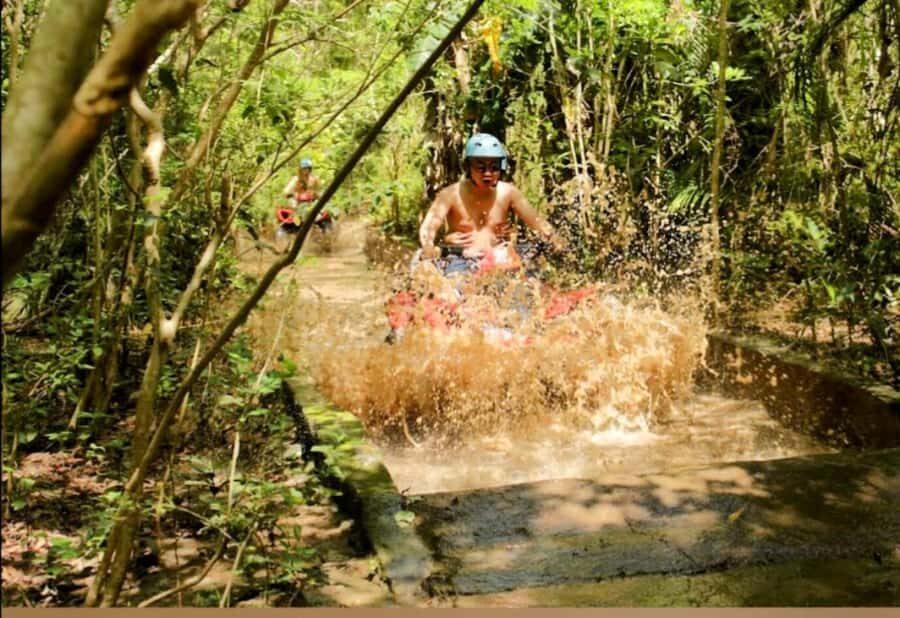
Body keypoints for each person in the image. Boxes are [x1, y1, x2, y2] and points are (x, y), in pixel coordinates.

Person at [418, 133, 565, 269]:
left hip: (500, 260)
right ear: (468, 167)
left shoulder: (509, 192)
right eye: (480, 167)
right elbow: (428, 229)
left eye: (494, 168)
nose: (488, 173)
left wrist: (559, 244)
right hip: (461, 260)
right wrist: (429, 246)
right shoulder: (450, 194)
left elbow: (539, 225)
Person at [276, 158, 324, 252]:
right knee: (289, 218)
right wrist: (292, 194)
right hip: (297, 203)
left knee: (320, 215)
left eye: (308, 168)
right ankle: (286, 242)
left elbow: (319, 191)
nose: (306, 171)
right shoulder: (296, 179)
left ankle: (321, 234)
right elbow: (286, 191)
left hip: (311, 203)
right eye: (304, 169)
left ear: (310, 169)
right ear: (300, 169)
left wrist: (317, 195)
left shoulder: (314, 179)